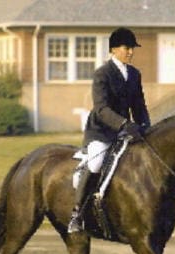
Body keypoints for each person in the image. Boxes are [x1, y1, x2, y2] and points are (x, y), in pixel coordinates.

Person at [68, 27, 151, 233]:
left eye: (132, 48)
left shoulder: (134, 74)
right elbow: (101, 108)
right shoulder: (102, 74)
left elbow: (139, 106)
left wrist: (146, 128)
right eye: (126, 48)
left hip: (126, 132)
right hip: (102, 131)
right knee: (96, 163)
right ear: (114, 49)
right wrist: (124, 124)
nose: (130, 52)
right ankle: (77, 214)